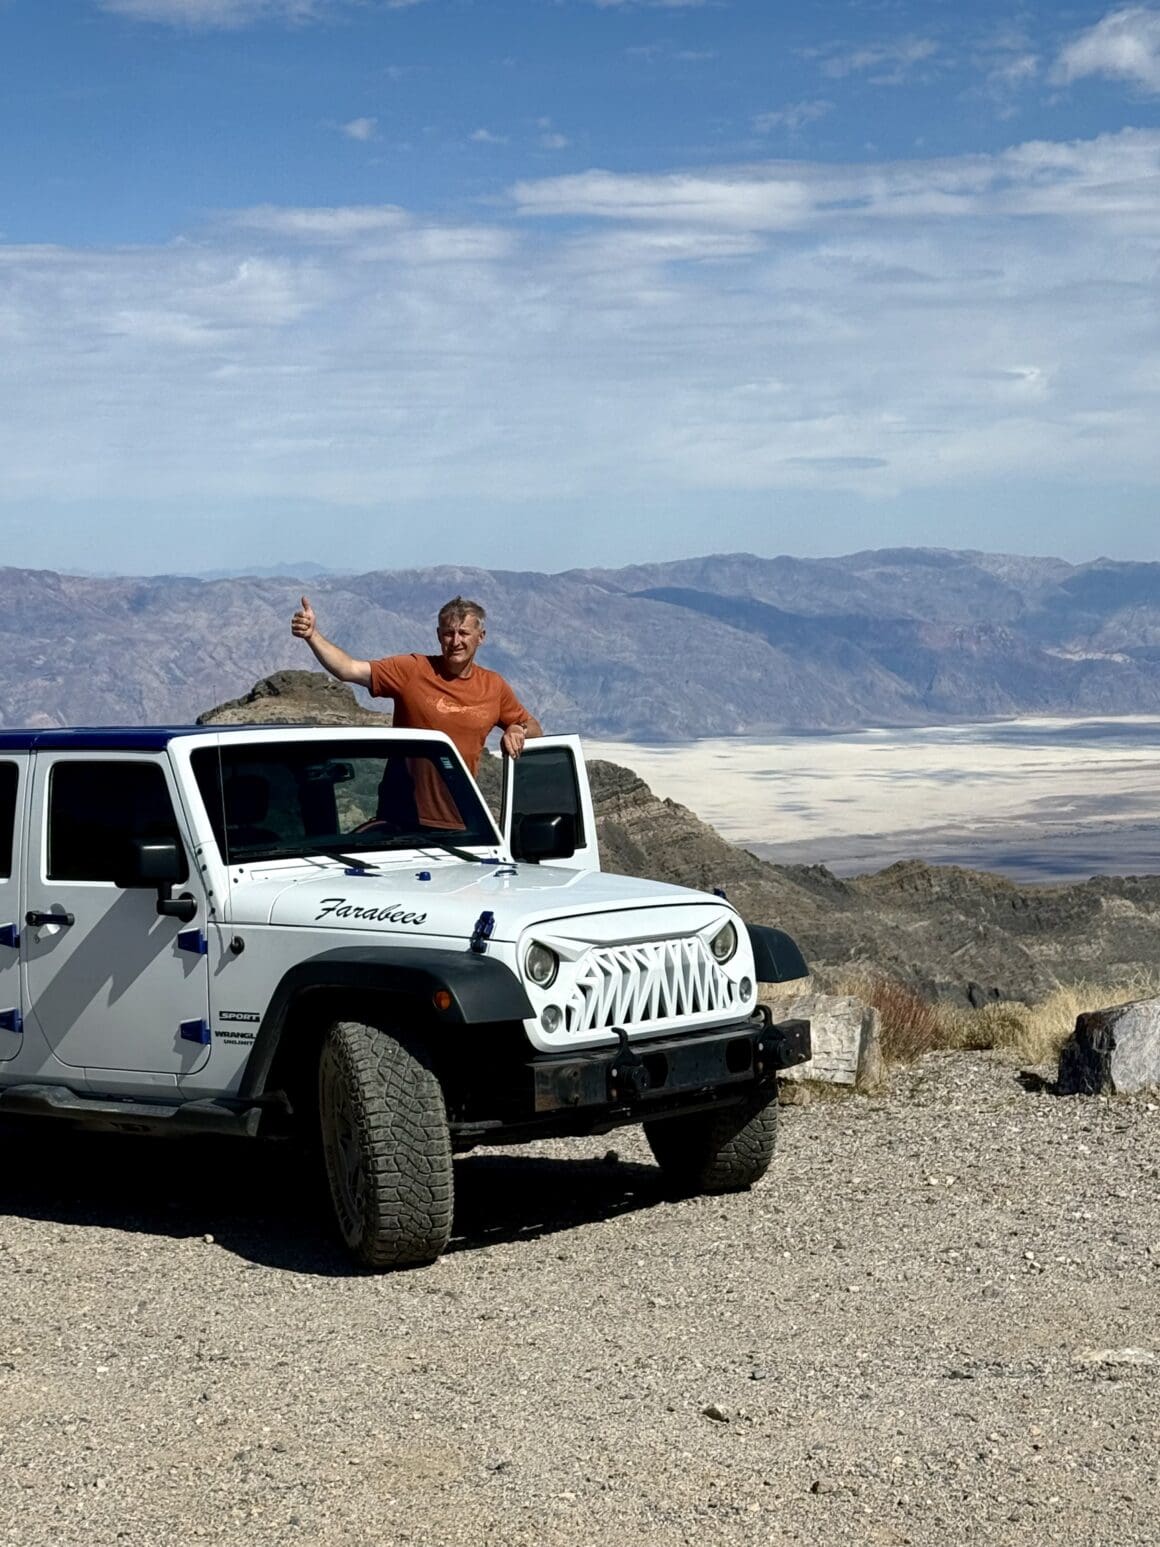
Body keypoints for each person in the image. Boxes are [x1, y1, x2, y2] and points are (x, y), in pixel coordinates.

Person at [290, 593, 542, 775]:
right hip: (402, 816)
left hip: (461, 818)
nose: (455, 641)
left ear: (481, 637)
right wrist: (313, 636)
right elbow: (349, 669)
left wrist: (517, 729)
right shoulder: (412, 670)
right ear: (438, 635)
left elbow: (534, 728)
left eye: (464, 633)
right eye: (448, 633)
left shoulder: (493, 686)